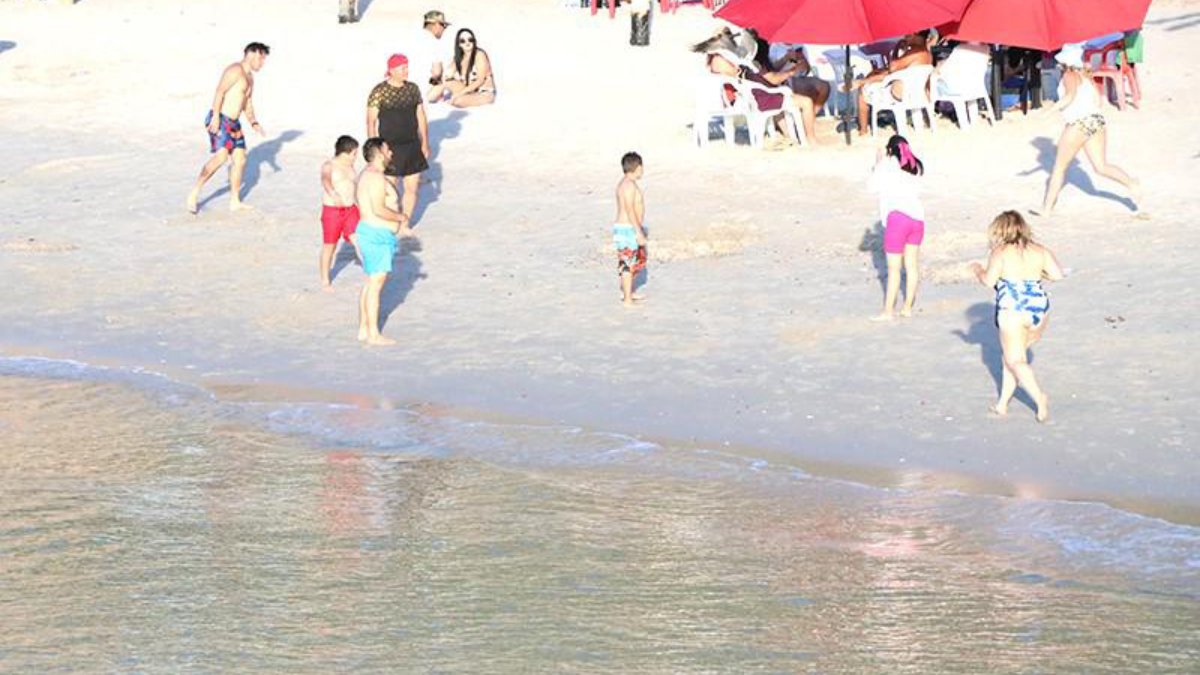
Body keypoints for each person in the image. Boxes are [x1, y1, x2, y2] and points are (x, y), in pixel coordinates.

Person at [969, 210, 1064, 422]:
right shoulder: (1040, 250)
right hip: (1039, 307)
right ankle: (1002, 404)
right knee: (1010, 357)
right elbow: (1058, 275)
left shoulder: (1000, 252)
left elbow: (988, 280)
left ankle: (1039, 398)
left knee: (1015, 359)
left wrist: (977, 270)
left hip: (1013, 309)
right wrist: (1037, 274)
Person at [1035, 43, 1140, 215]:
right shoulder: (1086, 77)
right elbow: (1098, 102)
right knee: (1101, 166)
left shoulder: (1069, 75)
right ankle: (1131, 183)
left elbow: (1069, 97)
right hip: (1096, 121)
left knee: (1059, 168)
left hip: (1079, 124)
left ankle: (1047, 209)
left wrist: (1050, 111)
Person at [186, 42, 269, 214]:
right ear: (252, 54)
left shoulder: (250, 78)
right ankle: (194, 193)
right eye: (261, 59)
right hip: (221, 118)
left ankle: (234, 201)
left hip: (234, 123)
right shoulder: (235, 70)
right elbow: (220, 91)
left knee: (240, 160)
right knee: (222, 157)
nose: (262, 63)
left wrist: (254, 122)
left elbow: (247, 102)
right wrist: (216, 116)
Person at [355, 138, 413, 345]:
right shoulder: (376, 178)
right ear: (379, 152)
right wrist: (401, 217)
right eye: (388, 150)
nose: (391, 154)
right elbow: (379, 209)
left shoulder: (365, 174)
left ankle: (363, 328)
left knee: (371, 282)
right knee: (376, 284)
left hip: (370, 232)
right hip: (376, 234)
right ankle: (373, 333)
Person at [705, 51, 822, 145]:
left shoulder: (739, 66)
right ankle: (810, 138)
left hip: (757, 98)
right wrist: (792, 71)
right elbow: (772, 79)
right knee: (807, 102)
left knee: (785, 94)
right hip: (763, 99)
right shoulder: (746, 65)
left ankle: (789, 135)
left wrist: (787, 61)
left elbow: (770, 74)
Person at [366, 54, 430, 225]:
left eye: (407, 67)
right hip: (389, 147)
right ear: (392, 70)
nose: (406, 71)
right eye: (403, 68)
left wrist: (425, 143)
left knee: (412, 189)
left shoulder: (413, 89)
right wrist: (376, 150)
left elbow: (421, 116)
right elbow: (371, 122)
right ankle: (391, 222)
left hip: (412, 145)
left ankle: (405, 224)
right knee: (390, 191)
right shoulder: (379, 91)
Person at [868, 135, 925, 321]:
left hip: (897, 219)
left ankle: (888, 311)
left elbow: (871, 188)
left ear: (890, 150)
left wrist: (877, 162)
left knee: (893, 269)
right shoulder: (915, 167)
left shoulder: (887, 166)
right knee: (912, 266)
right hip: (917, 219)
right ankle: (907, 307)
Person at [849, 31, 933, 135]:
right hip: (917, 94)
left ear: (916, 35)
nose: (905, 38)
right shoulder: (927, 53)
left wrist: (897, 47)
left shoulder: (915, 51)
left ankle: (863, 131)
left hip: (901, 93)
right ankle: (861, 81)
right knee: (877, 77)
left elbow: (892, 67)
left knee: (862, 92)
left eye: (908, 35)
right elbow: (896, 72)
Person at [319, 135, 360, 289]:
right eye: (354, 153)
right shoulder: (329, 165)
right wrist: (333, 194)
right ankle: (325, 279)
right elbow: (325, 180)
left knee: (359, 239)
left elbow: (355, 187)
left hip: (351, 210)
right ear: (346, 152)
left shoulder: (351, 167)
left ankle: (371, 270)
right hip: (332, 211)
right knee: (330, 246)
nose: (356, 157)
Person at [428, 28, 496, 108]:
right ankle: (439, 99)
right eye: (463, 41)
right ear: (459, 44)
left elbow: (480, 81)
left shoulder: (479, 54)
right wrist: (436, 76)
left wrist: (460, 93)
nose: (467, 43)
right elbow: (447, 77)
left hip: (483, 93)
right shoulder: (458, 58)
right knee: (431, 95)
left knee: (458, 101)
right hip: (468, 89)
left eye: (470, 40)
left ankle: (460, 99)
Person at [613, 152, 647, 306]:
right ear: (637, 168)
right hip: (627, 228)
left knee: (633, 261)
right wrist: (638, 231)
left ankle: (629, 292)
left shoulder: (627, 184)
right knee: (627, 263)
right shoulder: (628, 186)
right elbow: (629, 209)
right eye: (641, 167)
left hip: (629, 227)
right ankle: (627, 298)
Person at [415, 10, 452, 100]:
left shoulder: (413, 37)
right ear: (436, 24)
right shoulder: (433, 42)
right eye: (443, 25)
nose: (444, 29)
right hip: (424, 93)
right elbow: (437, 72)